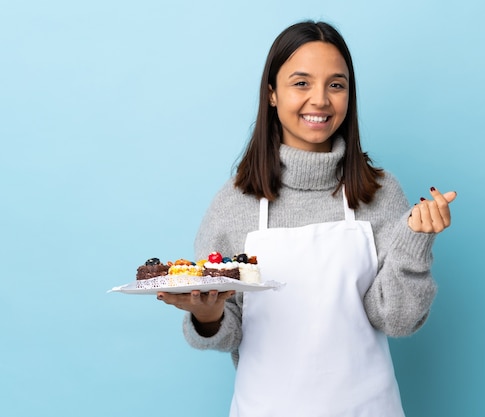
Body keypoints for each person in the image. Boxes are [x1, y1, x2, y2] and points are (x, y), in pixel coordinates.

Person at [157, 20, 456, 417]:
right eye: (301, 83)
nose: (320, 99)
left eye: (336, 84)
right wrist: (208, 315)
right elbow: (227, 330)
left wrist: (417, 239)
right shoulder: (234, 202)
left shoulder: (379, 193)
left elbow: (396, 320)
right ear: (272, 95)